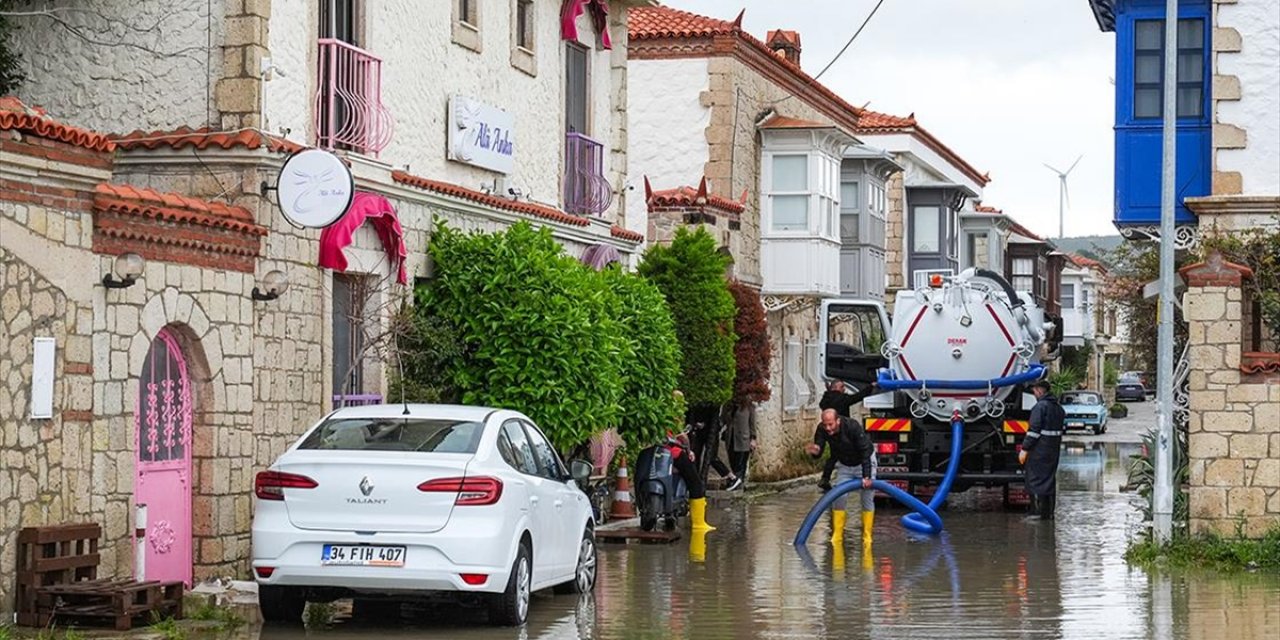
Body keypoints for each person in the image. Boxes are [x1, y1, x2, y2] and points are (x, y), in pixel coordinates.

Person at [805, 408, 877, 546]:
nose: (828, 428)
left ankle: (867, 535)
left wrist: (867, 476)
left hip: (864, 461)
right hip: (845, 464)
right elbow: (819, 448)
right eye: (825, 424)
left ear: (837, 421)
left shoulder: (852, 426)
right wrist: (816, 451)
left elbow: (865, 451)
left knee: (867, 497)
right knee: (839, 496)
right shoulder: (822, 429)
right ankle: (837, 534)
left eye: (830, 424)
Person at [817, 381, 880, 491]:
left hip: (833, 436)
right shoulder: (843, 399)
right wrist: (870, 387)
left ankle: (825, 478)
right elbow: (858, 397)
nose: (844, 389)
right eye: (842, 387)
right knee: (840, 453)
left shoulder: (825, 400)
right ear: (837, 387)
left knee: (833, 455)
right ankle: (828, 479)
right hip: (843, 431)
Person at [1019, 379, 1065, 520]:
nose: (1033, 393)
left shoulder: (1040, 407)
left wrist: (1025, 448)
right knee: (1049, 479)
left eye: (1034, 390)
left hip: (1039, 450)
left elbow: (1034, 431)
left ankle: (1036, 513)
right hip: (1053, 450)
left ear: (1039, 390)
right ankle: (1048, 513)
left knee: (1035, 479)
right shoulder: (1058, 408)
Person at [664, 430, 715, 532]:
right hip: (675, 453)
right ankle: (699, 523)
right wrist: (688, 450)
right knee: (695, 483)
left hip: (659, 455)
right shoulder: (673, 422)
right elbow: (683, 437)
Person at [687, 403, 739, 489]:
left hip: (709, 430)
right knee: (696, 455)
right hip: (699, 431)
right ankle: (696, 481)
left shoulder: (711, 405)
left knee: (711, 457)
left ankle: (731, 476)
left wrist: (704, 423)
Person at [720, 402, 757, 491]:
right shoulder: (728, 405)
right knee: (733, 462)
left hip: (743, 439)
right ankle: (736, 482)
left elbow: (752, 423)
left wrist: (753, 439)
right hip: (731, 438)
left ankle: (739, 484)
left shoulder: (749, 406)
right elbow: (722, 420)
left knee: (741, 463)